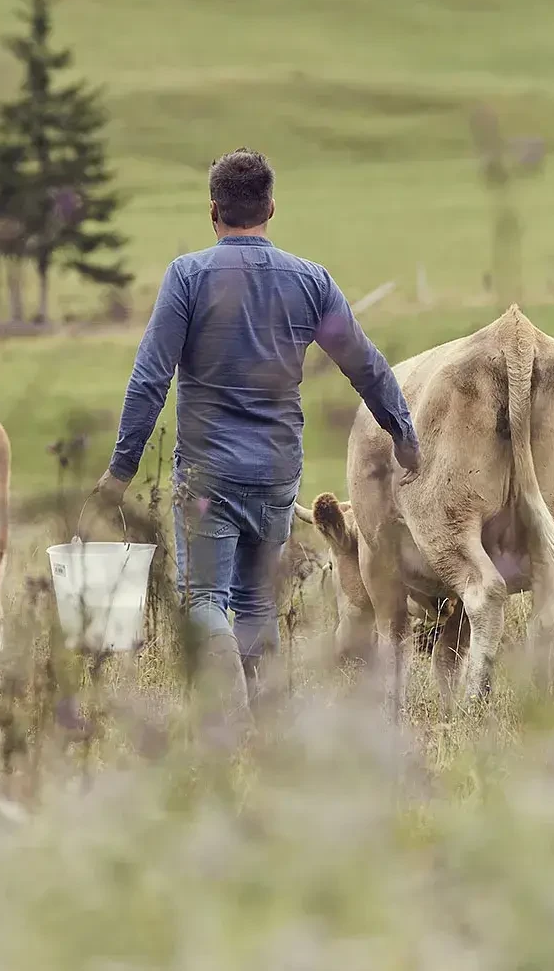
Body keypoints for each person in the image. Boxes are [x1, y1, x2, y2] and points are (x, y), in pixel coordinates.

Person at [93, 148, 421, 717]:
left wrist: (120, 472)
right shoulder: (310, 282)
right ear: (271, 206)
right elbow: (364, 363)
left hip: (207, 477)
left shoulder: (188, 277)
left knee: (203, 600)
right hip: (275, 474)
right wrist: (403, 431)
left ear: (212, 211)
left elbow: (150, 379)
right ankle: (266, 727)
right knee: (255, 603)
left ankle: (235, 721)